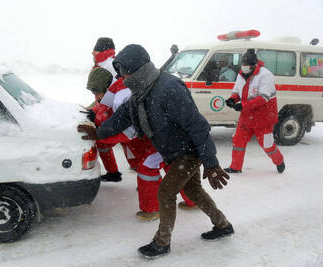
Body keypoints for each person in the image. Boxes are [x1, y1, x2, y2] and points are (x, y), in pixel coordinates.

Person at [78, 44, 233, 258]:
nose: (123, 77)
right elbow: (122, 117)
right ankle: (223, 225)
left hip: (187, 151)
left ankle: (162, 242)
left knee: (166, 192)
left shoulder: (169, 88)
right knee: (193, 191)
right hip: (173, 151)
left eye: (125, 71)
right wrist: (99, 133)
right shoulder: (140, 92)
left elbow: (197, 126)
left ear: (137, 69)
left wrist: (211, 163)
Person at [86, 67, 195, 221]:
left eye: (97, 93)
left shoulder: (122, 96)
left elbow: (126, 132)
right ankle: (193, 199)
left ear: (105, 88)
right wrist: (94, 116)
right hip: (159, 135)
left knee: (148, 169)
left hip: (163, 137)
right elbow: (103, 108)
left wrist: (99, 137)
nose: (96, 97)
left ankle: (153, 209)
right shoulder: (114, 92)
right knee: (172, 168)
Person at [224, 49, 285, 174]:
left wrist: (243, 106)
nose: (244, 67)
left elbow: (263, 98)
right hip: (246, 116)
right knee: (238, 140)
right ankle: (235, 167)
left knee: (267, 145)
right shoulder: (241, 74)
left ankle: (279, 161)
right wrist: (232, 99)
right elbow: (236, 91)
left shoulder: (265, 75)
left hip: (263, 117)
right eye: (243, 64)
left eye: (247, 65)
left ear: (254, 65)